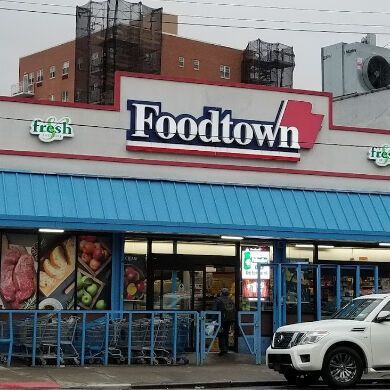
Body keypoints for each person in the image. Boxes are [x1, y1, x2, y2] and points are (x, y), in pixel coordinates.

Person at [213, 288, 235, 355]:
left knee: (221, 334)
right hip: (229, 320)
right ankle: (226, 348)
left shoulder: (218, 300)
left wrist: (213, 320)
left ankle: (223, 349)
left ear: (221, 293)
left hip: (221, 320)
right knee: (226, 333)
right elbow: (234, 310)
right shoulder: (230, 300)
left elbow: (214, 310)